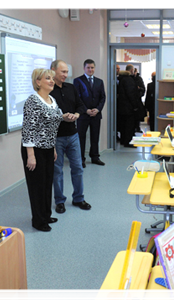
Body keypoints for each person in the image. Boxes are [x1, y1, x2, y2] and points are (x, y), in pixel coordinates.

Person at [21, 68, 67, 231]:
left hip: (48, 147)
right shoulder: (32, 101)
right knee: (37, 186)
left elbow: (52, 127)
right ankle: (38, 221)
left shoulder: (52, 100)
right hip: (35, 149)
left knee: (47, 183)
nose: (52, 81)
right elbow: (28, 129)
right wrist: (31, 156)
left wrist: (53, 147)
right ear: (38, 82)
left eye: (52, 78)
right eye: (47, 78)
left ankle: (46, 215)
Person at [50, 60, 91, 214]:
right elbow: (47, 114)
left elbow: (80, 105)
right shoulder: (48, 90)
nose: (66, 75)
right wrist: (62, 117)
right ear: (53, 71)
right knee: (57, 170)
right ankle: (60, 201)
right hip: (56, 137)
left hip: (73, 135)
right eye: (63, 72)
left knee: (78, 168)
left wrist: (76, 114)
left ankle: (79, 198)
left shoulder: (71, 88)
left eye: (67, 72)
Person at [73, 59, 106, 168]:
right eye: (88, 67)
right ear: (84, 68)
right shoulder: (78, 81)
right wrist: (85, 110)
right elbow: (77, 98)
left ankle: (95, 157)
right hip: (83, 115)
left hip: (96, 114)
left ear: (94, 68)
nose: (90, 69)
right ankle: (81, 159)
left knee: (95, 137)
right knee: (81, 137)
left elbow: (103, 97)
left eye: (92, 67)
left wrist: (98, 109)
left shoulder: (99, 81)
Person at [117, 68, 140, 147]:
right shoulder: (129, 80)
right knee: (129, 125)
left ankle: (123, 140)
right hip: (129, 107)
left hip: (121, 107)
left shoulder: (121, 79)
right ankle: (128, 141)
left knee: (123, 125)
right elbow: (131, 94)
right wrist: (135, 106)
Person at [132, 67, 146, 132]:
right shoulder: (130, 79)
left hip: (138, 99)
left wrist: (139, 89)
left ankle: (137, 127)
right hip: (131, 100)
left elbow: (143, 88)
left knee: (138, 115)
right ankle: (133, 128)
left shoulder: (139, 79)